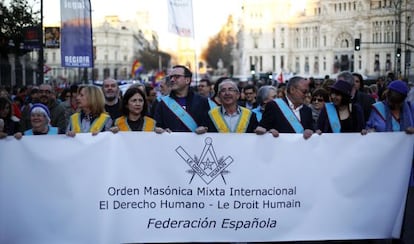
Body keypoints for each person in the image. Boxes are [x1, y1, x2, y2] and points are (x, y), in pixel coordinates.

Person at [362, 81, 414, 244]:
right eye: (391, 101)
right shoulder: (377, 109)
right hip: (383, 169)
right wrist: (367, 132)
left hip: (407, 170)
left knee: (405, 210)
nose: (393, 105)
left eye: (397, 102)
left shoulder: (411, 109)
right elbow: (370, 127)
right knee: (384, 207)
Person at [154, 65, 210, 133]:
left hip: (195, 142)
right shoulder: (162, 103)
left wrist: (203, 128)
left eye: (176, 77)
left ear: (187, 80)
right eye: (171, 77)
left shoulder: (202, 101)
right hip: (170, 142)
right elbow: (157, 125)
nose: (172, 80)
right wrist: (161, 130)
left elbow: (208, 125)